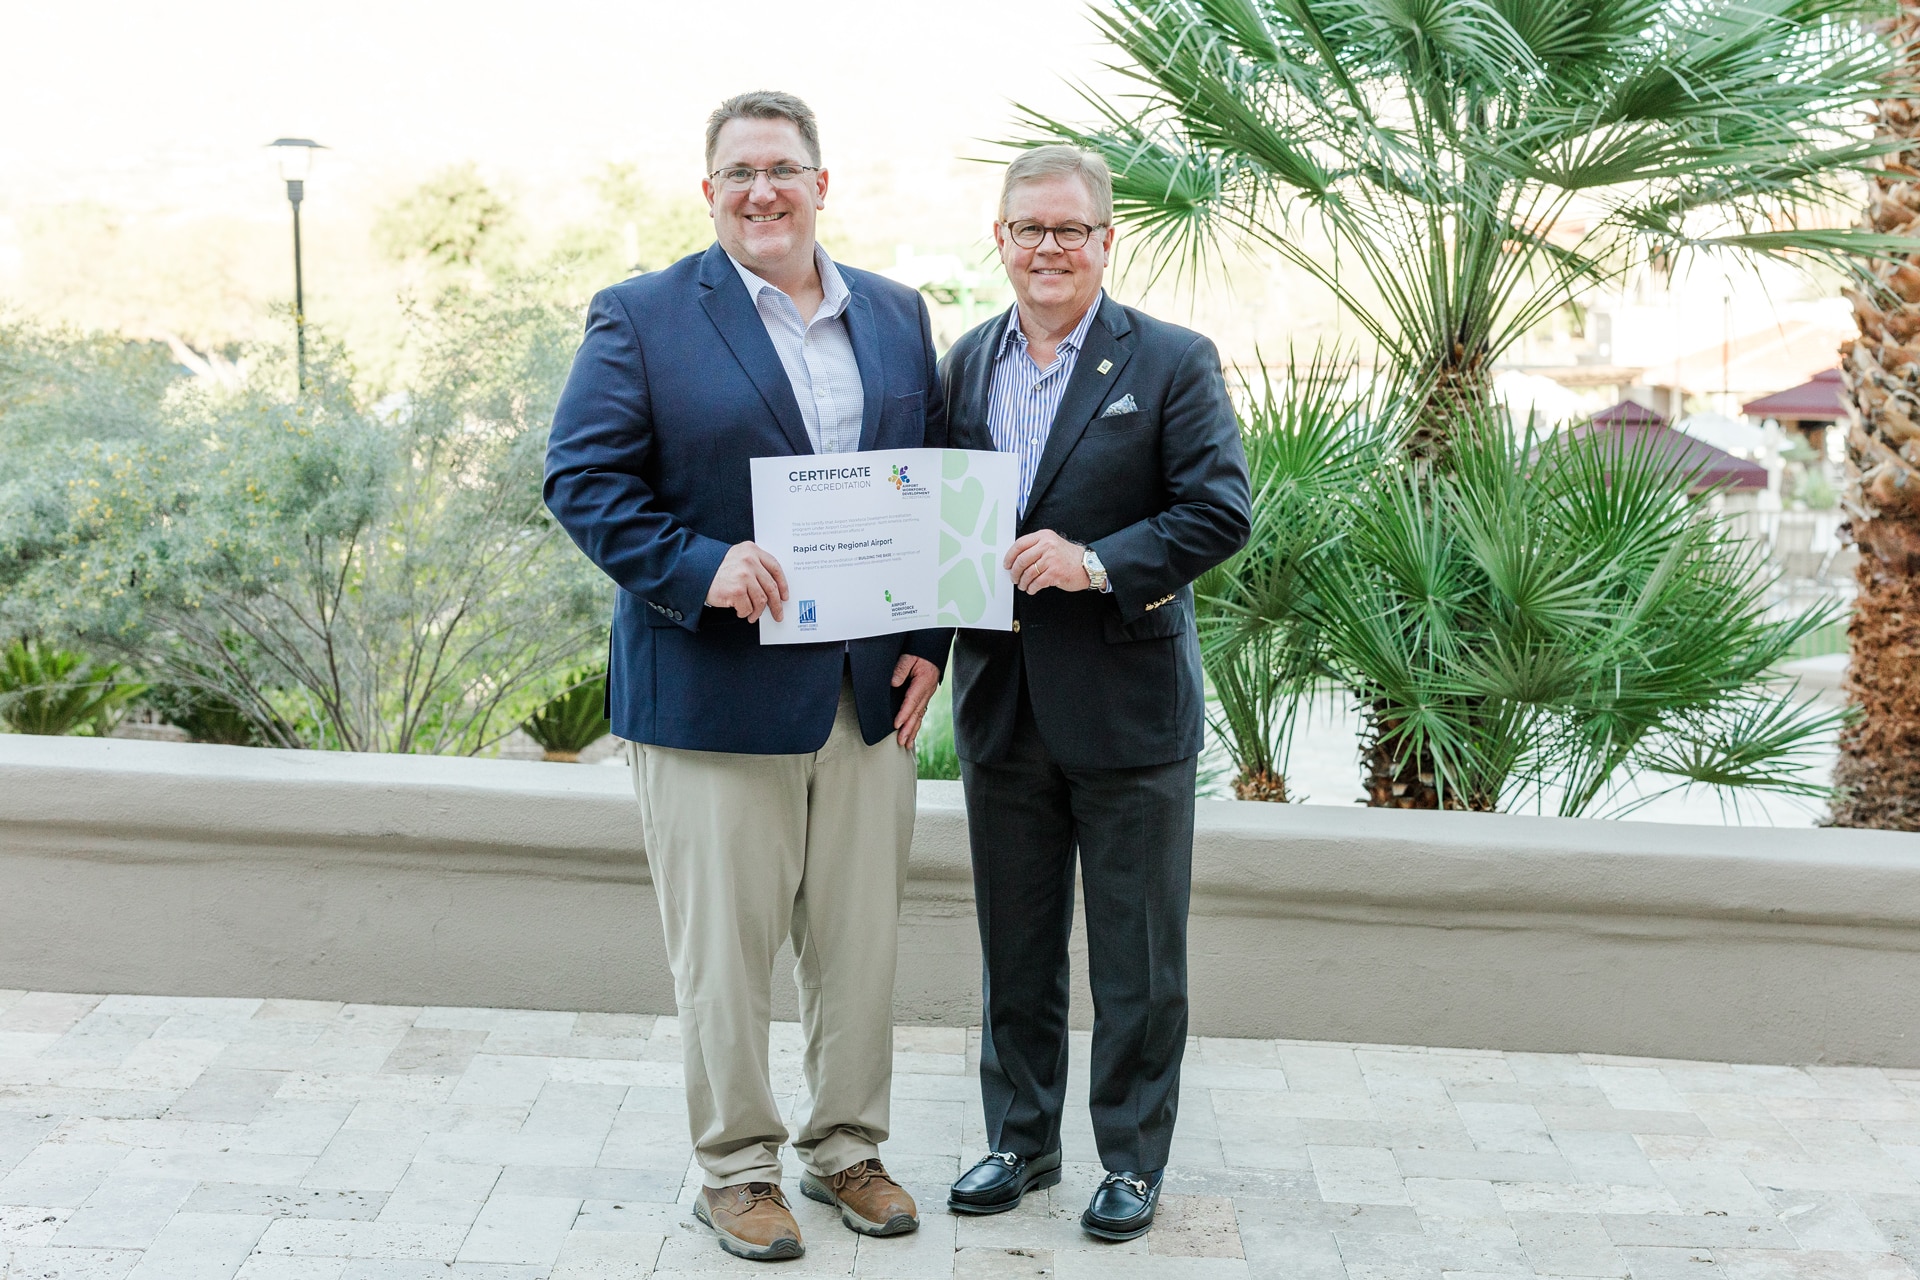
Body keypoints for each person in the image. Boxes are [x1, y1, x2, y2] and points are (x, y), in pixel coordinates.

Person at [543, 90, 948, 1264]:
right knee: (724, 955)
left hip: (868, 694)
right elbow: (583, 481)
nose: (761, 190)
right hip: (711, 695)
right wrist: (700, 566)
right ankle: (736, 1168)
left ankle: (848, 1148)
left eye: (782, 168)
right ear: (707, 190)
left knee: (861, 942)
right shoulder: (642, 316)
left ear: (825, 184)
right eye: (737, 173)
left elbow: (926, 486)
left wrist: (932, 638)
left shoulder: (895, 314)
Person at [937, 145, 1251, 1241]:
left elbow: (1220, 512)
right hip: (1002, 703)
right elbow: (937, 526)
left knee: (1138, 955)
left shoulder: (1169, 360)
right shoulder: (963, 366)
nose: (1050, 248)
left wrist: (1095, 558)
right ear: (1000, 238)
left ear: (1107, 239)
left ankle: (1132, 1159)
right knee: (1014, 947)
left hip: (1128, 704)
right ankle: (1019, 1141)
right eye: (1030, 228)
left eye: (1071, 229)